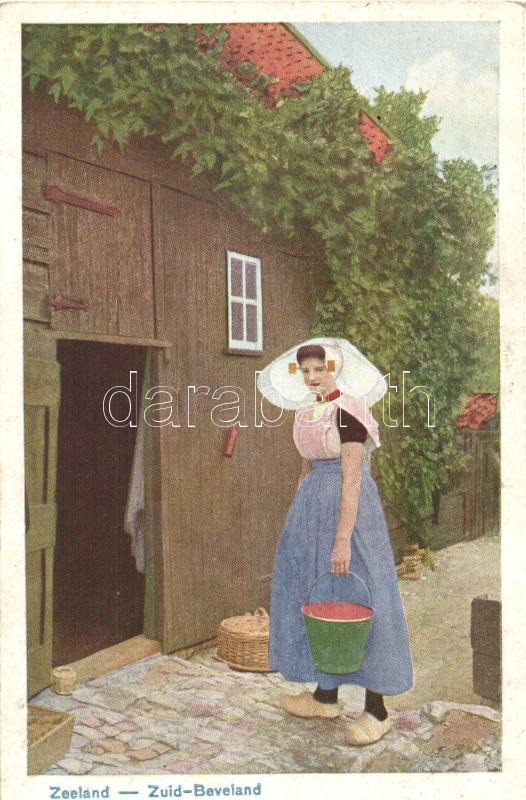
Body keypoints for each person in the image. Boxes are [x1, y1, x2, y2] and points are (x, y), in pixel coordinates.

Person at [264, 340, 413, 747]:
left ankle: (377, 710)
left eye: (319, 369)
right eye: (306, 371)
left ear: (334, 368)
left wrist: (342, 539)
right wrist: (299, 524)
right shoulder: (307, 412)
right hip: (312, 509)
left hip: (351, 513)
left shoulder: (349, 410)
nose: (313, 377)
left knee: (362, 597)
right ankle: (325, 695)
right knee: (316, 595)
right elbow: (306, 469)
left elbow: (351, 477)